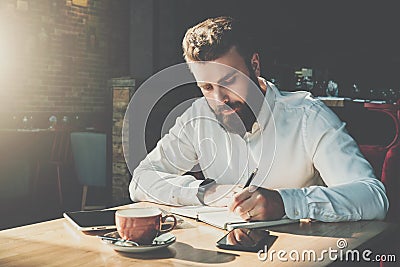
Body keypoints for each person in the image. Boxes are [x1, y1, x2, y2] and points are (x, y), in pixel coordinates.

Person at [129, 16, 388, 222]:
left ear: (255, 65)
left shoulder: (308, 118)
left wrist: (286, 203)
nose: (220, 99)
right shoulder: (198, 117)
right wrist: (205, 192)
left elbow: (373, 197)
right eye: (207, 87)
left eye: (229, 81)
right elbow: (141, 180)